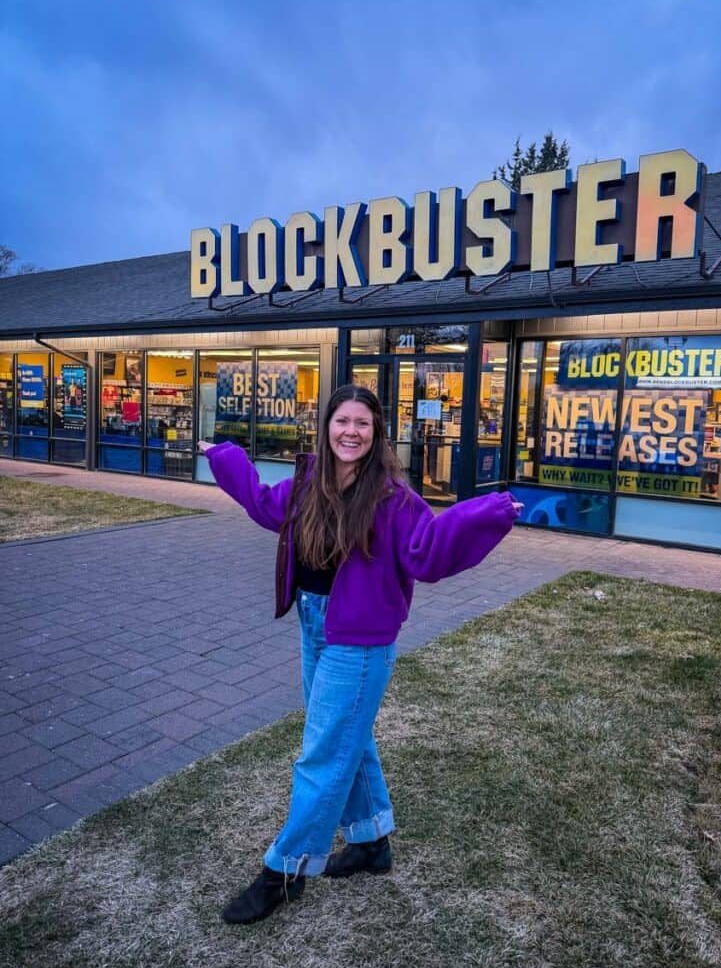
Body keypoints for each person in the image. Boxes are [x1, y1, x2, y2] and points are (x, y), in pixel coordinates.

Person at [198, 384, 522, 926]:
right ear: (326, 427)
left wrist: (488, 512)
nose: (351, 432)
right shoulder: (308, 483)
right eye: (342, 421)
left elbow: (428, 551)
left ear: (376, 434)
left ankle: (285, 871)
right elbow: (262, 504)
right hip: (313, 624)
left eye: (363, 424)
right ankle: (371, 841)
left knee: (322, 753)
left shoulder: (392, 498)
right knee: (349, 735)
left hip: (361, 639)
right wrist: (224, 456)